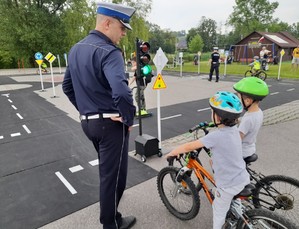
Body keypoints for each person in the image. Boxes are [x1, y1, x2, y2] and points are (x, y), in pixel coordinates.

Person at [62, 2, 136, 229]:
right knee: (114, 179)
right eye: (122, 27)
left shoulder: (75, 49)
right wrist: (127, 118)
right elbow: (122, 91)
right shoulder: (110, 52)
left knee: (108, 173)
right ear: (107, 23)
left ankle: (111, 217)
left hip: (89, 125)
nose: (123, 33)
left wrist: (87, 112)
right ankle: (110, 224)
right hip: (111, 126)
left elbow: (67, 86)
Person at [165, 91, 250, 229]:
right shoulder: (235, 130)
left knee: (218, 210)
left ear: (218, 116)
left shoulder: (215, 137)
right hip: (242, 177)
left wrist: (173, 152)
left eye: (212, 112)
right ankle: (241, 219)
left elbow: (190, 146)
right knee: (235, 201)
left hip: (228, 185)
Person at [233, 77, 269, 158]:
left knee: (215, 160)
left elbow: (237, 139)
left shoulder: (248, 119)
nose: (238, 100)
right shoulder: (259, 112)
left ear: (248, 101)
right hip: (251, 148)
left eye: (239, 98)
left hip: (242, 152)